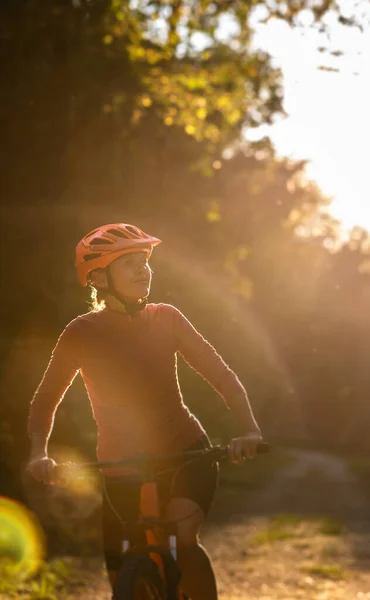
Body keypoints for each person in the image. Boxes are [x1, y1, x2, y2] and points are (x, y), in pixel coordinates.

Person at [26, 223, 263, 600]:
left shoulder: (166, 318)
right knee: (129, 555)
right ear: (100, 277)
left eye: (145, 262)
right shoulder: (80, 333)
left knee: (183, 539)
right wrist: (39, 452)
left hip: (185, 452)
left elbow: (221, 375)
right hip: (121, 463)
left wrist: (249, 430)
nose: (143, 270)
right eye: (129, 264)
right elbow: (46, 398)